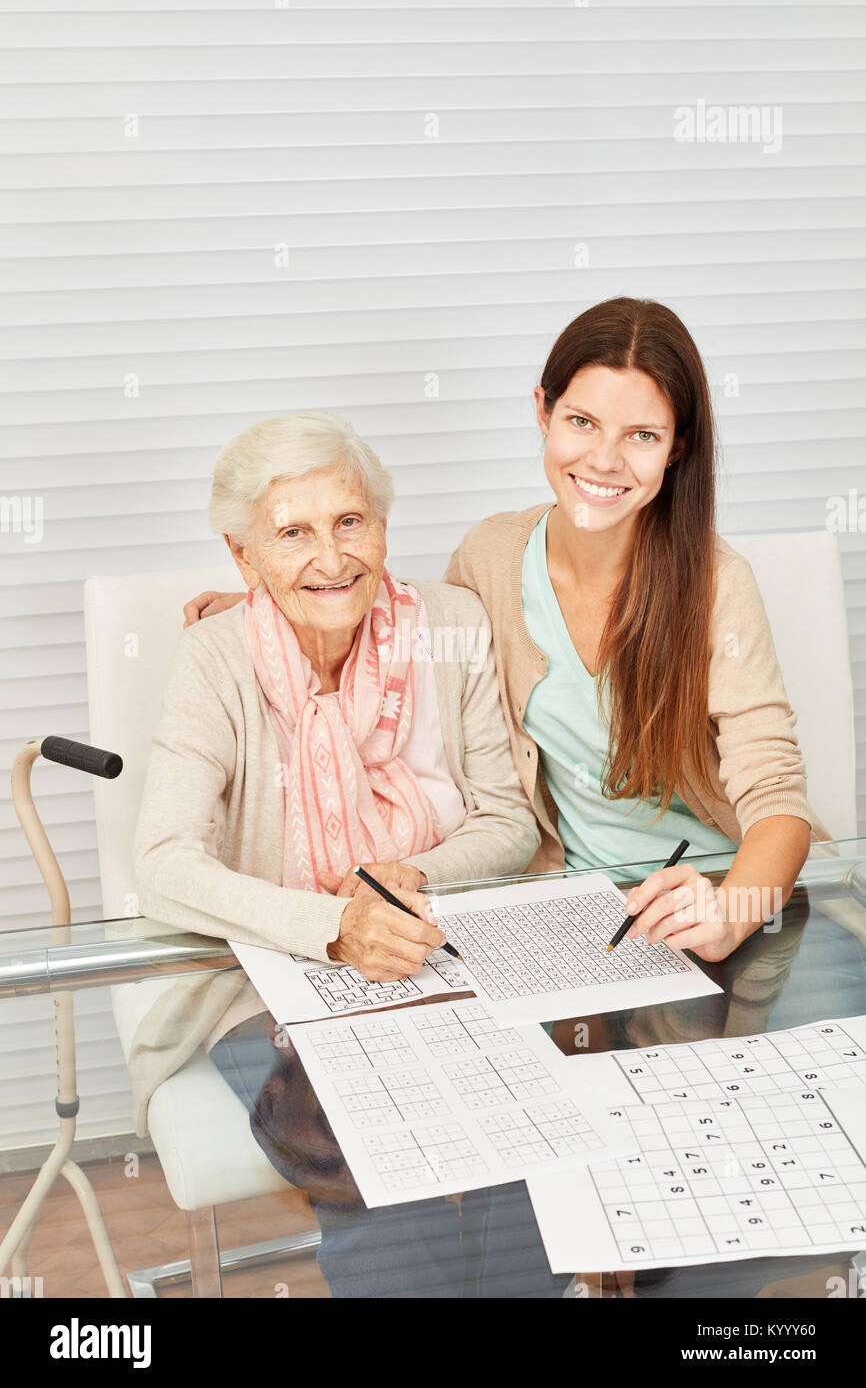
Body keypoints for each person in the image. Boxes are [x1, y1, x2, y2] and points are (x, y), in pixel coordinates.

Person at [186, 297, 829, 954]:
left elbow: (777, 795)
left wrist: (730, 912)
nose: (605, 461)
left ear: (677, 447)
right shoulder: (490, 558)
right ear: (543, 412)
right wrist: (273, 596)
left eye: (642, 435)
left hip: (718, 903)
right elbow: (404, 623)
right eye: (582, 422)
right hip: (567, 915)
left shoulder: (719, 582)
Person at [131, 410, 565, 1297]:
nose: (331, 559)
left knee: (528, 1142)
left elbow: (507, 822)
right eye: (292, 533)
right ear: (244, 558)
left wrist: (414, 877)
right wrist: (337, 926)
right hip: (262, 978)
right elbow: (166, 865)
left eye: (350, 521)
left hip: (441, 949)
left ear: (382, 523)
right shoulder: (214, 659)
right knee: (375, 1169)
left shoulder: (450, 624)